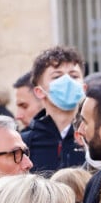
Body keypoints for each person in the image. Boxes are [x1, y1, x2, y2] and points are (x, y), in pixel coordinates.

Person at [22, 45, 86, 173]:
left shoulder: (93, 138)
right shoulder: (24, 143)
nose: (67, 81)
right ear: (39, 91)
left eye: (74, 76)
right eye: (57, 77)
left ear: (84, 88)